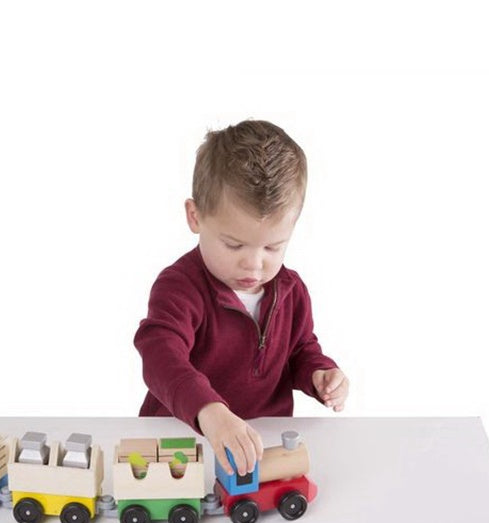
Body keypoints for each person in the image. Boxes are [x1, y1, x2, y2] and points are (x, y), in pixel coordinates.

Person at [134, 119, 349, 477]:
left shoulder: (291, 290)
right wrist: (209, 410)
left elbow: (300, 350)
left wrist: (319, 372)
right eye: (234, 245)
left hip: (259, 447)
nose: (254, 264)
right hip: (180, 447)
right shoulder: (179, 287)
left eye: (272, 247)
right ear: (195, 216)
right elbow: (160, 355)